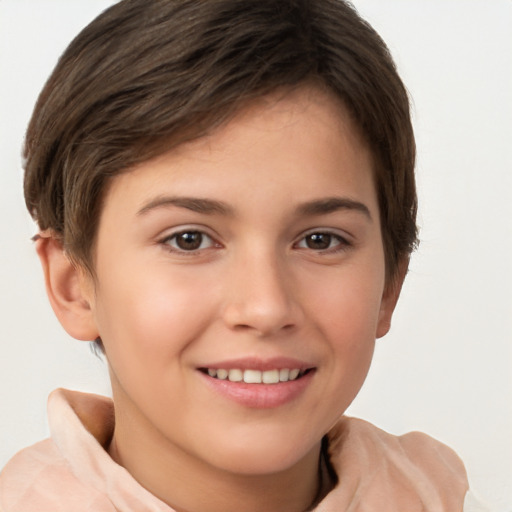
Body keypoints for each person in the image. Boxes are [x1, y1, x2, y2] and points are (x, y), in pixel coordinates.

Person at [0, 0, 490, 510]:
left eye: (320, 240)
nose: (265, 307)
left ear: (389, 285)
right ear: (73, 284)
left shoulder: (445, 498)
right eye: (188, 239)